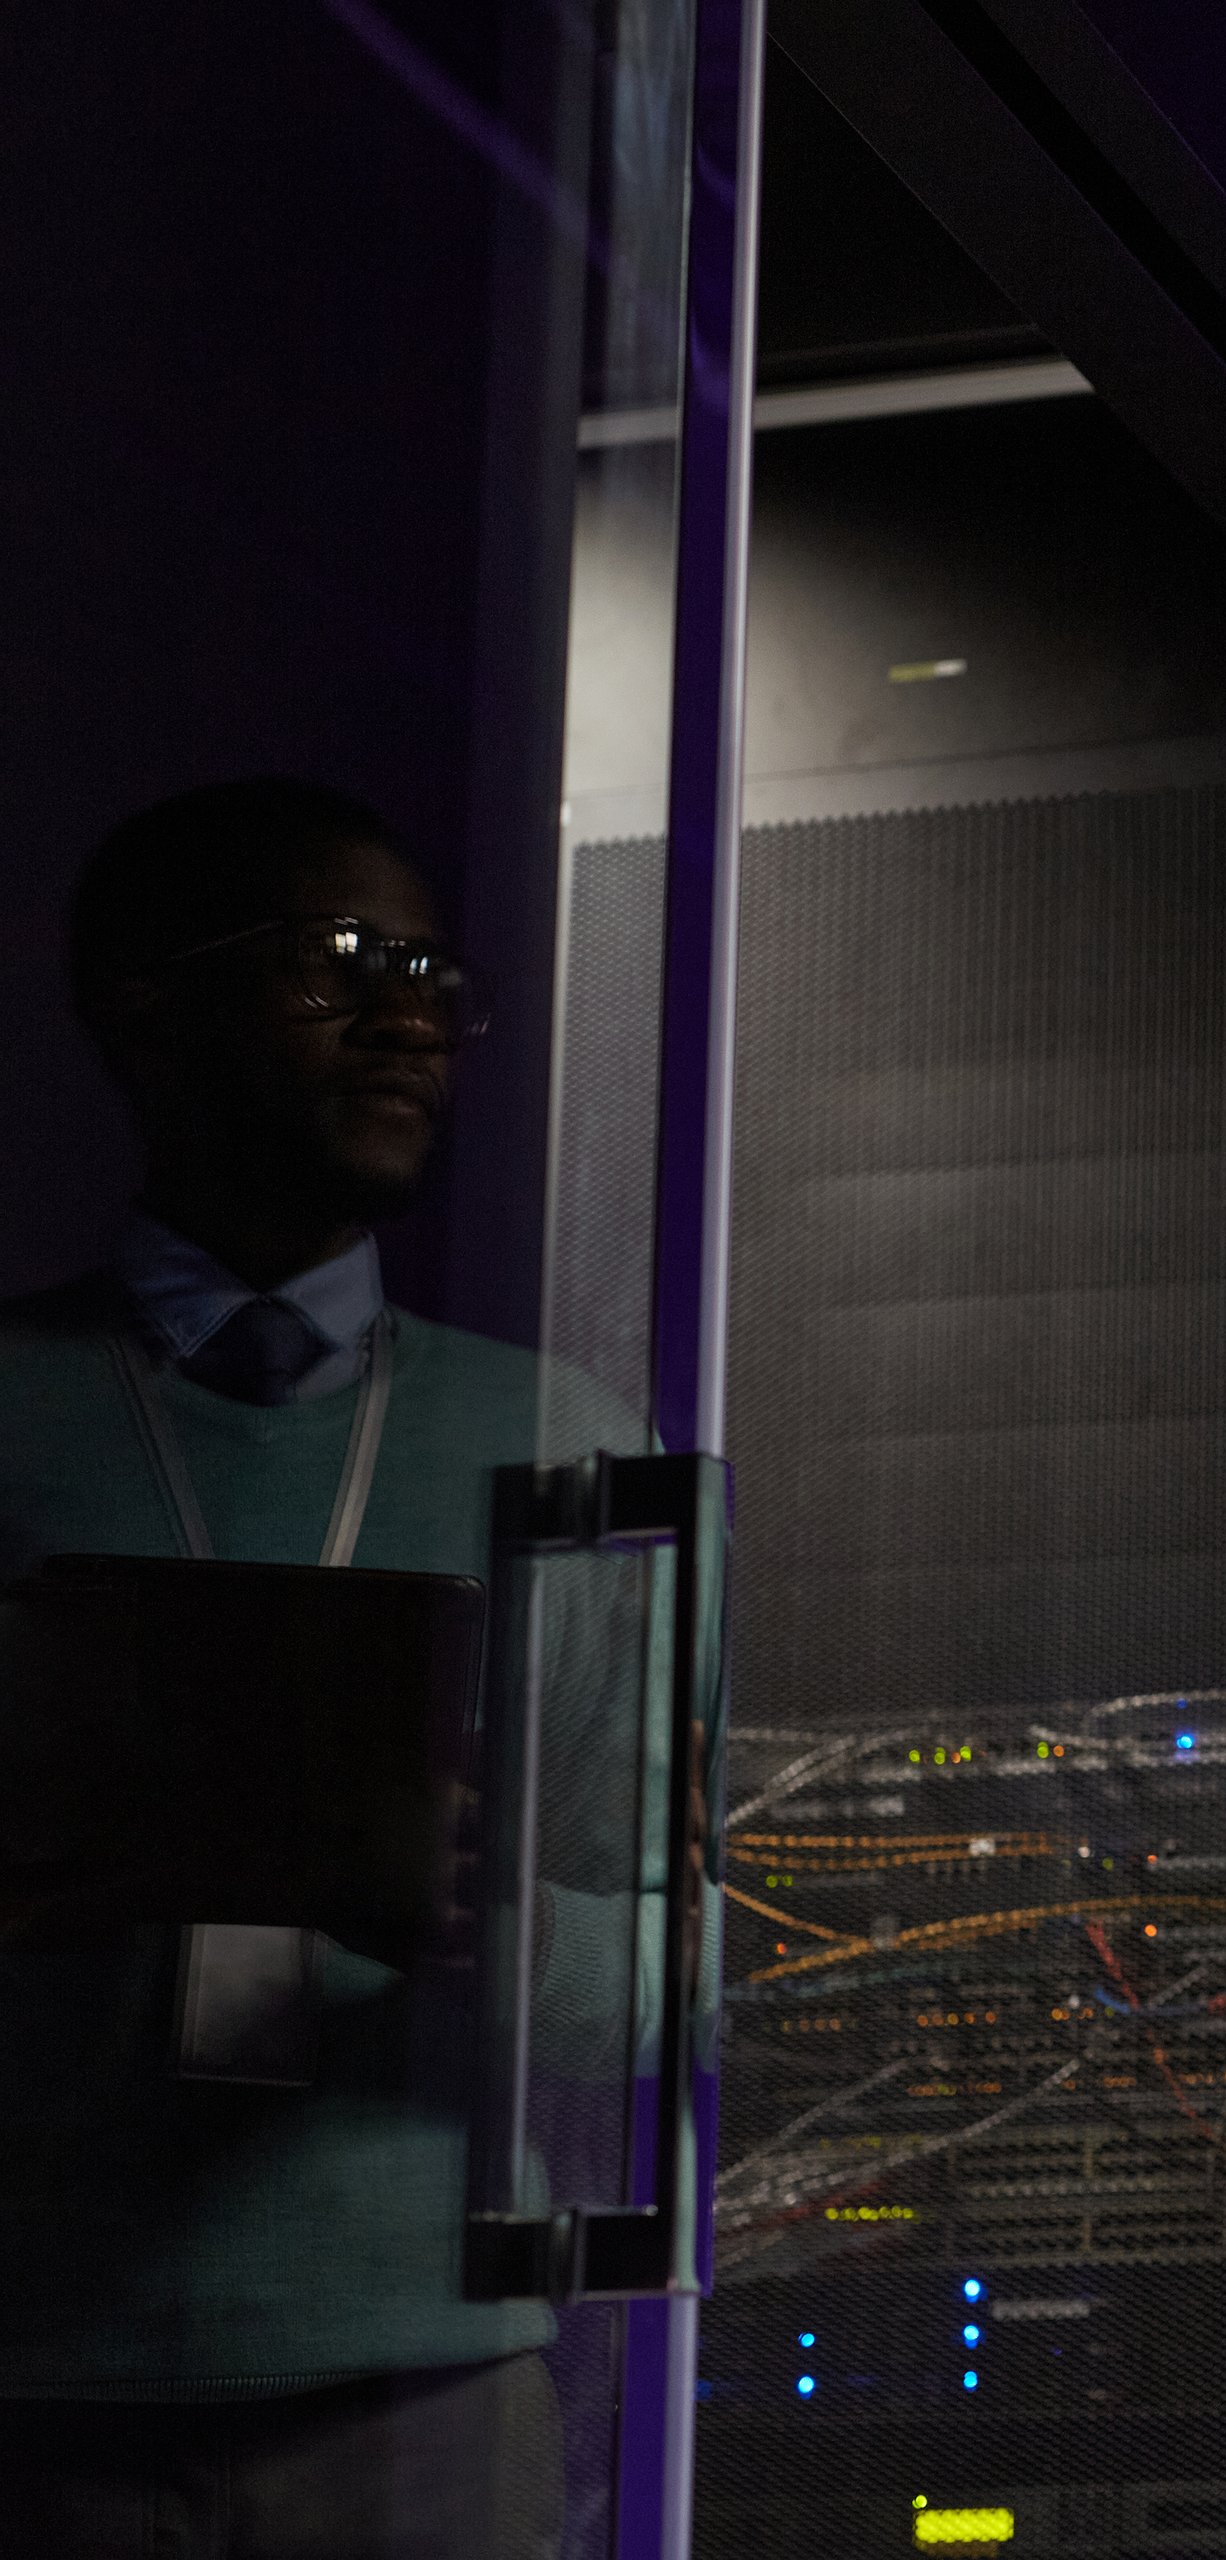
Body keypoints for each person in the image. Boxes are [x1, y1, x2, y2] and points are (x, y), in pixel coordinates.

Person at [0, 778, 611, 2557]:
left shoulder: (559, 1442)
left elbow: (700, 1971)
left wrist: (508, 1923)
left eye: (436, 974)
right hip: (37, 2375)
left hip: (416, 2381)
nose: (414, 1018)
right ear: (144, 995)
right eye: (346, 962)